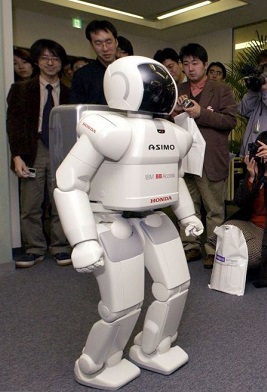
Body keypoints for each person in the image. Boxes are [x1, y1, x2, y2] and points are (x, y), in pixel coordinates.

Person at [53, 56, 203, 389]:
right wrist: (83, 239)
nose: (160, 91)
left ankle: (153, 347)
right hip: (111, 221)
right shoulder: (110, 129)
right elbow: (69, 182)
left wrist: (187, 214)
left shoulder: (175, 134)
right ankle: (95, 364)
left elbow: (171, 178)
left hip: (154, 218)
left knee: (176, 288)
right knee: (123, 305)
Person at [6, 38, 72, 267]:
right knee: (30, 204)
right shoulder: (21, 89)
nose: (50, 62)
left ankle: (61, 247)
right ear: (37, 61)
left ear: (61, 62)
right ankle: (34, 248)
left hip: (62, 150)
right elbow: (12, 125)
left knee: (60, 200)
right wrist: (16, 156)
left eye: (55, 58)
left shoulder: (70, 92)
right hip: (33, 150)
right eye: (45, 58)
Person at [209, 130, 267, 286]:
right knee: (225, 233)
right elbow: (239, 201)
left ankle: (242, 261)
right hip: (252, 225)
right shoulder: (257, 172)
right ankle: (235, 259)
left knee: (243, 253)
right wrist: (251, 177)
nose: (264, 155)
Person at [173, 43, 237, 268]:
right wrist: (175, 113)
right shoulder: (179, 89)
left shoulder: (221, 89)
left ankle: (213, 249)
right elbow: (168, 120)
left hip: (209, 158)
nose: (190, 68)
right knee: (187, 207)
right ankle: (190, 246)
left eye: (195, 63)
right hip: (185, 157)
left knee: (214, 209)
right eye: (186, 63)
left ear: (205, 64)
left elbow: (230, 121)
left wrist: (201, 113)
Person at [70, 19, 118, 104]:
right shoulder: (82, 75)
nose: (105, 48)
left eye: (109, 42)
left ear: (116, 42)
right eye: (98, 43)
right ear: (92, 45)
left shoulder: (130, 71)